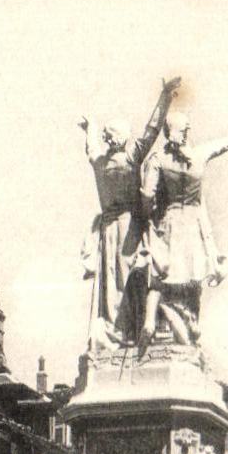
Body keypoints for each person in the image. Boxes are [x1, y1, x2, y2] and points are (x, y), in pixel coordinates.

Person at [79, 77, 181, 345]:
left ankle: (117, 328)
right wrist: (165, 96)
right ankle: (130, 331)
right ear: (122, 138)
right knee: (130, 278)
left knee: (110, 282)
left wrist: (90, 128)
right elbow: (152, 129)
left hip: (108, 228)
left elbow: (91, 148)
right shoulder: (131, 156)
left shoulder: (100, 163)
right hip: (129, 226)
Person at [138, 110, 228, 353]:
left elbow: (147, 197)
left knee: (161, 274)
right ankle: (191, 326)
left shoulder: (157, 160)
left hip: (171, 223)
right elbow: (221, 145)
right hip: (195, 225)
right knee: (195, 279)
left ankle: (150, 320)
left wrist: (147, 213)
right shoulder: (198, 155)